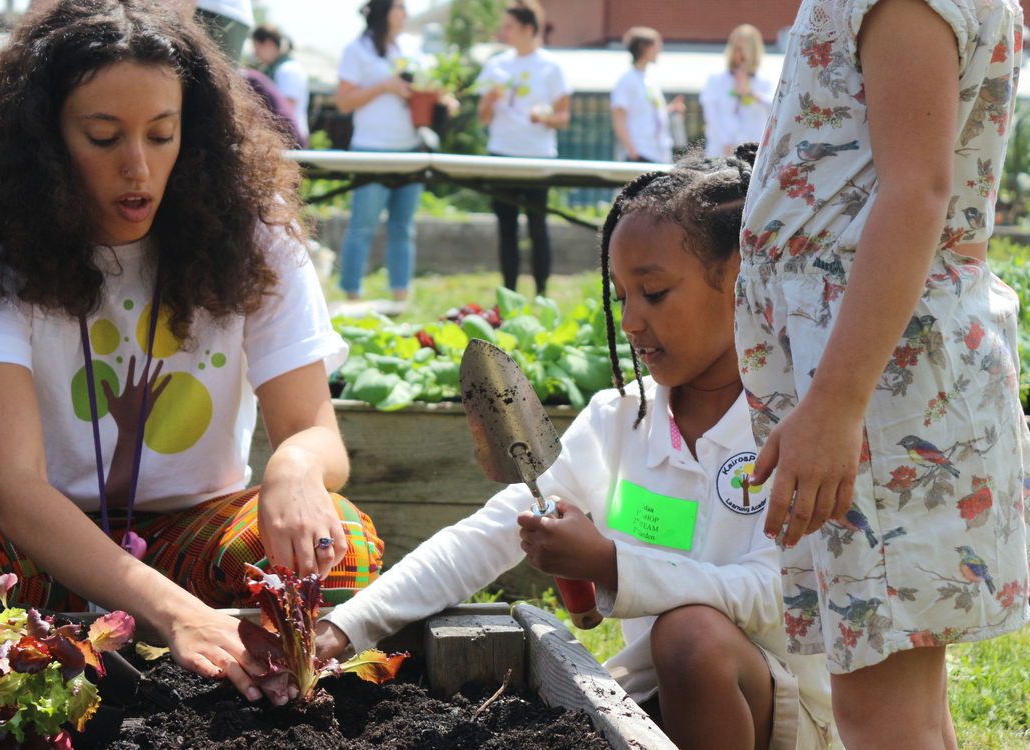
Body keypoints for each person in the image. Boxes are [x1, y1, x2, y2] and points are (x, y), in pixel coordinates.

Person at [0, 0, 384, 707]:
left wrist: (294, 468)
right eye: (103, 136)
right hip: (35, 546)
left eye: (162, 135)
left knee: (337, 542)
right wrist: (174, 614)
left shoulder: (260, 244)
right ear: (43, 140)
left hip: (198, 533)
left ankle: (262, 695)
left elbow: (316, 433)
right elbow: (13, 487)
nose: (139, 166)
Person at [317, 152, 840, 750]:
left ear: (743, 277)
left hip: (791, 715)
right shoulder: (621, 419)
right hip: (654, 700)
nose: (631, 321)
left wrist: (610, 564)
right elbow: (492, 532)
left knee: (691, 637)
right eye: (621, 296)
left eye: (654, 292)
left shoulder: (795, 425)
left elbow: (773, 593)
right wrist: (346, 625)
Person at [735, 0, 1028, 747]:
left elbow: (915, 191)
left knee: (877, 712)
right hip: (870, 361)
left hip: (874, 373)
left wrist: (834, 404)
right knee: (901, 699)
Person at [335, 0, 425, 307]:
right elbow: (344, 102)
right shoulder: (356, 50)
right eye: (398, 6)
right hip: (370, 150)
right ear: (383, 11)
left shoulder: (411, 47)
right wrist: (384, 86)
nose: (404, 12)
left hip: (411, 149)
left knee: (403, 226)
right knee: (362, 225)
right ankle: (352, 296)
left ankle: (401, 297)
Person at [477, 0, 571, 296]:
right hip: (501, 154)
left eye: (509, 26)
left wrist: (544, 117)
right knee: (506, 228)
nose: (503, 32)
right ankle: (509, 295)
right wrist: (490, 100)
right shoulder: (496, 64)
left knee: (537, 227)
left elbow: (563, 118)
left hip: (538, 156)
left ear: (529, 29)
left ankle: (541, 294)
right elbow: (483, 117)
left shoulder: (551, 66)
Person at [610, 26, 683, 164]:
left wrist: (670, 110)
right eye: (656, 46)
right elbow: (619, 119)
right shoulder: (627, 80)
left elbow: (647, 115)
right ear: (643, 47)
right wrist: (634, 153)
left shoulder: (650, 79)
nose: (659, 51)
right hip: (641, 154)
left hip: (659, 154)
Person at [700, 24, 773, 159]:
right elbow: (712, 116)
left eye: (745, 49)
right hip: (720, 151)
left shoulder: (765, 81)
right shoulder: (716, 79)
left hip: (753, 151)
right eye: (737, 48)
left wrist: (751, 93)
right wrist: (725, 142)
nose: (740, 54)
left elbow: (776, 107)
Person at [251, 24, 310, 146]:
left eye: (256, 47)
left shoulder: (288, 70)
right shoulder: (281, 68)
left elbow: (286, 111)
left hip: (289, 141)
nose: (255, 54)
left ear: (268, 43)